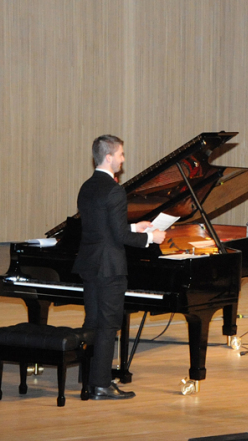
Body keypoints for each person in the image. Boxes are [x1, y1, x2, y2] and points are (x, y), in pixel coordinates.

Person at [73, 135, 166, 400]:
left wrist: (136, 226)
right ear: (109, 157)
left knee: (93, 322)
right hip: (110, 268)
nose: (124, 160)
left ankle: (90, 379)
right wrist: (150, 237)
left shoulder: (87, 186)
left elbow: (103, 228)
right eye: (121, 154)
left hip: (90, 264)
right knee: (108, 326)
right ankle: (101, 385)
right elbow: (120, 238)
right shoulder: (114, 190)